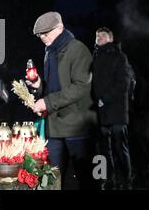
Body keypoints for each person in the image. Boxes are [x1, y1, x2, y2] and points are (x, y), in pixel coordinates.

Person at [26, 11, 98, 190]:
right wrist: (38, 85)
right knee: (53, 181)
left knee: (86, 180)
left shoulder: (78, 49)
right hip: (55, 129)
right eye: (39, 35)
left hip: (77, 128)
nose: (42, 37)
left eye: (46, 33)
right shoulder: (49, 51)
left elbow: (82, 87)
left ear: (60, 28)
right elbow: (53, 88)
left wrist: (47, 102)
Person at [92, 27, 132, 190]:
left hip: (116, 110)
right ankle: (106, 179)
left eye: (102, 36)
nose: (98, 38)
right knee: (103, 149)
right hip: (100, 111)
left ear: (110, 38)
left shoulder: (119, 56)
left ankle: (127, 179)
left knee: (119, 146)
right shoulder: (94, 57)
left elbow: (123, 84)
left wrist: (104, 99)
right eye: (97, 36)